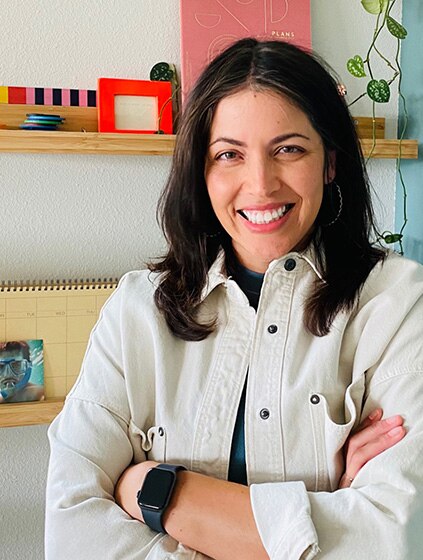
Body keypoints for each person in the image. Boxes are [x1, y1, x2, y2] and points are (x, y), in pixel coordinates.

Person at [45, 38, 423, 559]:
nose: (260, 184)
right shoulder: (136, 310)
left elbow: (396, 537)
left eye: (289, 149)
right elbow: (71, 532)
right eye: (229, 155)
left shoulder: (399, 304)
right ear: (201, 171)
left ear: (330, 162)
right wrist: (322, 517)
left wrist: (158, 493)